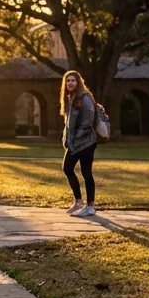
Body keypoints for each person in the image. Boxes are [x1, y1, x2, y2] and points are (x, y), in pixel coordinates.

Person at [60, 71, 98, 218]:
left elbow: (87, 122)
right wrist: (67, 139)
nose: (70, 83)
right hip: (75, 142)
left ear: (78, 82)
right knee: (67, 168)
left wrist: (75, 140)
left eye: (73, 81)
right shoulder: (71, 98)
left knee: (86, 172)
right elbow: (69, 124)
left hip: (86, 142)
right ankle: (78, 201)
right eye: (68, 81)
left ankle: (90, 206)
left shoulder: (85, 98)